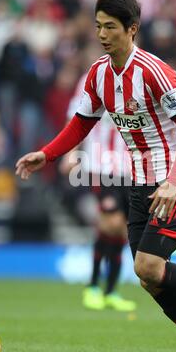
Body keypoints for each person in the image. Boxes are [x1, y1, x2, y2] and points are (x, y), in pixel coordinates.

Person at [16, 0, 176, 352]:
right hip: (138, 183)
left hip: (175, 180)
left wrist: (172, 179)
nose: (102, 35)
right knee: (149, 279)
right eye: (98, 26)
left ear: (132, 29)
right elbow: (81, 123)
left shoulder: (154, 71)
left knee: (147, 267)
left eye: (110, 27)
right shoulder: (98, 74)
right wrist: (48, 153)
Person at [60, 73, 136, 312]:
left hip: (131, 167)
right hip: (101, 165)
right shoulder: (92, 78)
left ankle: (111, 291)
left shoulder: (141, 79)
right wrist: (70, 152)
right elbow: (76, 118)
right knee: (110, 222)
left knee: (122, 229)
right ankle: (92, 286)